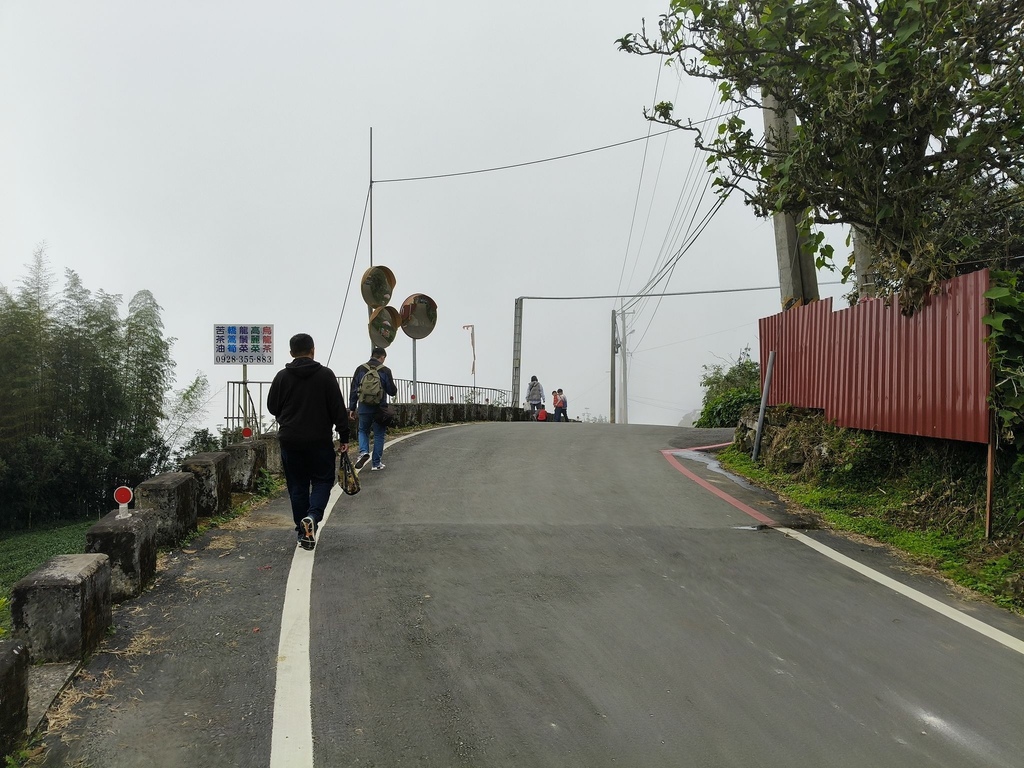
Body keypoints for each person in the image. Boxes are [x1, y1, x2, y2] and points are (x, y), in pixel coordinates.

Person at [267, 333, 349, 551]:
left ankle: (302, 531)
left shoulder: (282, 377)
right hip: (319, 440)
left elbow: (272, 407)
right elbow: (337, 409)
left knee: (297, 485)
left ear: (292, 353)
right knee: (322, 481)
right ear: (313, 350)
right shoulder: (326, 375)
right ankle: (312, 517)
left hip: (290, 440)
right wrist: (344, 436)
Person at [349, 346, 398, 471]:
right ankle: (376, 463)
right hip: (380, 409)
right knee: (379, 434)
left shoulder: (360, 369)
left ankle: (364, 452)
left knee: (363, 430)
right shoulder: (385, 370)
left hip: (364, 407)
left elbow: (354, 390)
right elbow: (392, 391)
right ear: (382, 357)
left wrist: (352, 408)